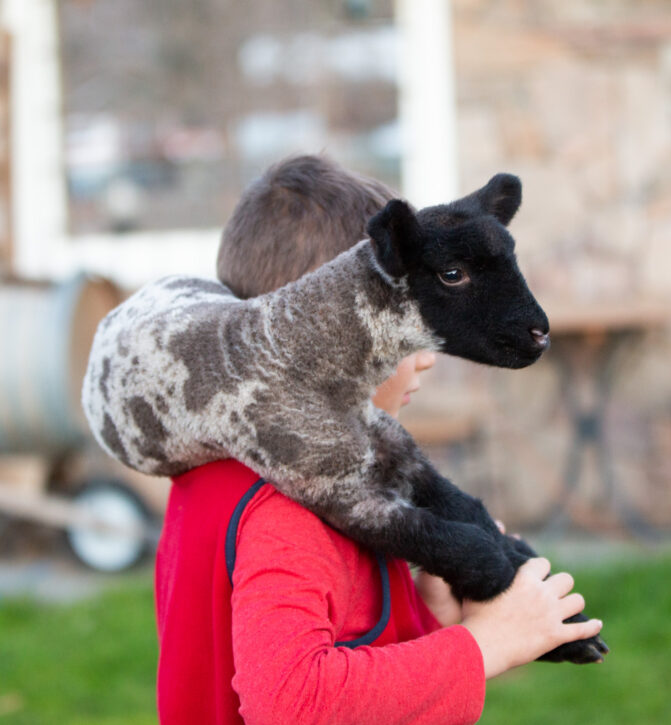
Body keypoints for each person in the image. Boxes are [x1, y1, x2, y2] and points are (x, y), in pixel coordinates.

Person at [154, 155, 602, 725]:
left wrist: (437, 618)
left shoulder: (261, 465)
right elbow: (290, 701)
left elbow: (349, 635)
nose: (426, 355)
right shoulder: (286, 505)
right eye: (403, 323)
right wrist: (485, 645)